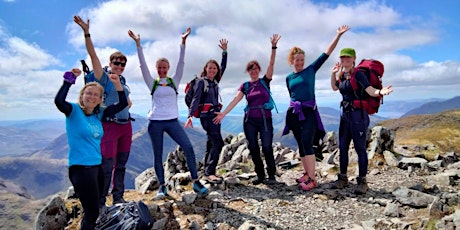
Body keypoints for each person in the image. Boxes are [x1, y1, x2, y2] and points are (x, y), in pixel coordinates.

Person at [128, 28, 209, 198]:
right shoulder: (152, 83)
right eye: (159, 68)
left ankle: (196, 182)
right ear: (157, 68)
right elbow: (142, 66)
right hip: (155, 123)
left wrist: (183, 43)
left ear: (168, 68)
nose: (162, 70)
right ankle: (163, 187)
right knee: (158, 155)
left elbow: (181, 64)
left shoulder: (174, 80)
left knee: (188, 147)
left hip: (173, 122)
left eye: (164, 67)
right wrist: (138, 45)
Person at [54, 68, 128, 229]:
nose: (92, 97)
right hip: (81, 169)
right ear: (82, 95)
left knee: (93, 210)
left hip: (97, 167)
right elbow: (59, 101)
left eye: (96, 94)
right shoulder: (73, 111)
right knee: (92, 212)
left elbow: (122, 104)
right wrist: (69, 80)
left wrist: (117, 85)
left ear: (100, 99)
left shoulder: (99, 114)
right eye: (89, 93)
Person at [74, 16, 133, 206]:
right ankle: (100, 201)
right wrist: (86, 32)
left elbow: (127, 102)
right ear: (111, 63)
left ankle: (118, 197)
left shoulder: (122, 81)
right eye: (116, 63)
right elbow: (93, 56)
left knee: (121, 165)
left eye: (122, 64)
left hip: (126, 126)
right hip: (110, 126)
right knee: (107, 166)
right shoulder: (103, 77)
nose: (119, 66)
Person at [283, 25, 350, 191]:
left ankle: (312, 179)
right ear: (291, 61)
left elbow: (326, 53)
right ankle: (307, 173)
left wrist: (338, 36)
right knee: (300, 144)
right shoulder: (288, 77)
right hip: (294, 113)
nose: (300, 62)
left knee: (307, 141)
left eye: (302, 59)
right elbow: (292, 95)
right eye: (297, 60)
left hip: (309, 112)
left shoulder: (311, 70)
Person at [213, 34, 281, 185]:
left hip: (265, 119)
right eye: (251, 69)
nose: (254, 71)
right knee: (253, 148)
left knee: (267, 146)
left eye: (255, 69)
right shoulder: (245, 86)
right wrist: (224, 113)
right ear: (248, 71)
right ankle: (260, 175)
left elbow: (271, 64)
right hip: (250, 120)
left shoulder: (265, 81)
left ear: (258, 70)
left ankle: (271, 176)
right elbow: (235, 100)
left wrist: (273, 47)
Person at [330, 48, 393, 194]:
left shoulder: (358, 74)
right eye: (342, 58)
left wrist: (380, 92)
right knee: (343, 147)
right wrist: (333, 74)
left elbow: (370, 90)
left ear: (354, 59)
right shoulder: (342, 74)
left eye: (348, 58)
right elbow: (334, 87)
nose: (344, 61)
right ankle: (343, 178)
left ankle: (362, 181)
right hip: (345, 115)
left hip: (358, 116)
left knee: (360, 149)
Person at [184, 59, 225, 184]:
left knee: (211, 142)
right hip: (207, 116)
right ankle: (210, 173)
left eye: (215, 68)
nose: (212, 70)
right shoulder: (202, 82)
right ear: (205, 69)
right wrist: (190, 115)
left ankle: (207, 171)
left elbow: (223, 66)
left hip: (215, 114)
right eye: (210, 68)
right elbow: (196, 98)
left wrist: (225, 52)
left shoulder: (215, 82)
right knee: (218, 143)